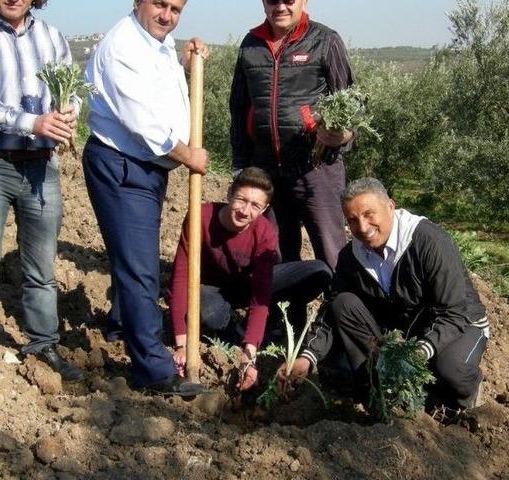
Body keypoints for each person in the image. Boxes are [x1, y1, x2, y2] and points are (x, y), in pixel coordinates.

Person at [0, 0, 85, 396]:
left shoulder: (52, 37)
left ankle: (43, 344)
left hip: (41, 167)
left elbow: (70, 92)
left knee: (42, 269)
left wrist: (68, 112)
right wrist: (34, 123)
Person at [83, 0, 209, 396]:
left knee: (133, 257)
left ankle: (123, 324)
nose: (167, 15)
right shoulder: (123, 47)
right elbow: (142, 121)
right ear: (137, 2)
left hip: (145, 169)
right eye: (159, 4)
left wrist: (185, 67)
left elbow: (159, 96)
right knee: (141, 268)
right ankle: (153, 370)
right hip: (124, 166)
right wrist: (190, 155)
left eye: (176, 8)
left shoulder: (154, 43)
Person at [279, 178, 490, 410]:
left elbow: (453, 312)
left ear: (390, 206)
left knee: (450, 368)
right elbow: (331, 309)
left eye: (369, 214)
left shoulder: (428, 241)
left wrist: (420, 352)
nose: (362, 226)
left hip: (460, 323)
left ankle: (462, 399)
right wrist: (308, 357)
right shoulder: (351, 256)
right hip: (407, 328)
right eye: (352, 219)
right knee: (343, 305)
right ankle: (377, 393)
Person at [168, 167, 331, 392]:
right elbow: (179, 279)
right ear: (229, 194)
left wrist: (248, 357)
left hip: (245, 286)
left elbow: (260, 296)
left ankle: (271, 326)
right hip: (209, 290)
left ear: (264, 209)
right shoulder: (201, 217)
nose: (245, 211)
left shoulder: (264, 233)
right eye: (241, 200)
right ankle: (232, 329)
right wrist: (182, 345)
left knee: (319, 272)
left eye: (255, 206)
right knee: (207, 308)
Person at [229, 0, 356, 271]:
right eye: (274, 0)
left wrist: (343, 136)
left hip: (316, 169)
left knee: (332, 251)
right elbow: (239, 109)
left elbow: (351, 103)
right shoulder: (251, 44)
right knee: (274, 254)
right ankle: (283, 314)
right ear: (264, 3)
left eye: (289, 0)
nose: (281, 7)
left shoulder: (325, 40)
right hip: (266, 171)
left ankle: (337, 312)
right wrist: (240, 164)